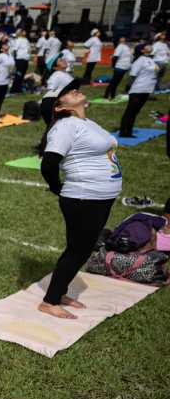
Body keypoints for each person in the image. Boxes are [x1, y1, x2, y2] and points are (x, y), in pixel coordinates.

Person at [38, 87, 121, 319]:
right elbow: (48, 164)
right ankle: (50, 301)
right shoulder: (65, 126)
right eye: (67, 91)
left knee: (82, 248)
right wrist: (57, 187)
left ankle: (59, 292)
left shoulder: (87, 123)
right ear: (59, 107)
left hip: (100, 196)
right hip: (84, 197)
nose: (74, 89)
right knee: (77, 250)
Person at [118, 43, 158, 138]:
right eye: (146, 46)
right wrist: (127, 90)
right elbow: (132, 75)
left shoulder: (150, 59)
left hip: (146, 90)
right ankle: (124, 132)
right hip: (138, 90)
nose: (149, 46)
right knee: (130, 111)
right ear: (142, 50)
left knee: (135, 112)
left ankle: (129, 130)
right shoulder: (139, 61)